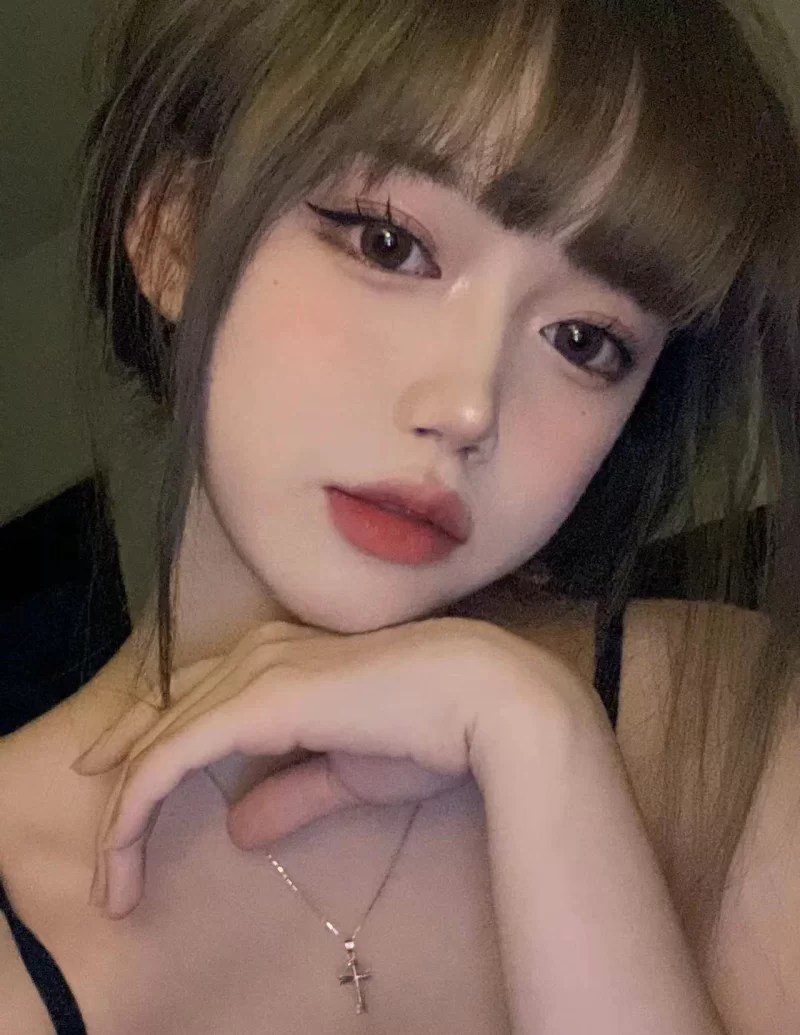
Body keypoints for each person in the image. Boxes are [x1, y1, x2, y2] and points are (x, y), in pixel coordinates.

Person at [2, 0, 799, 1031]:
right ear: (174, 236)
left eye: (584, 341)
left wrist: (538, 742)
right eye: (390, 244)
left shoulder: (711, 723)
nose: (467, 407)